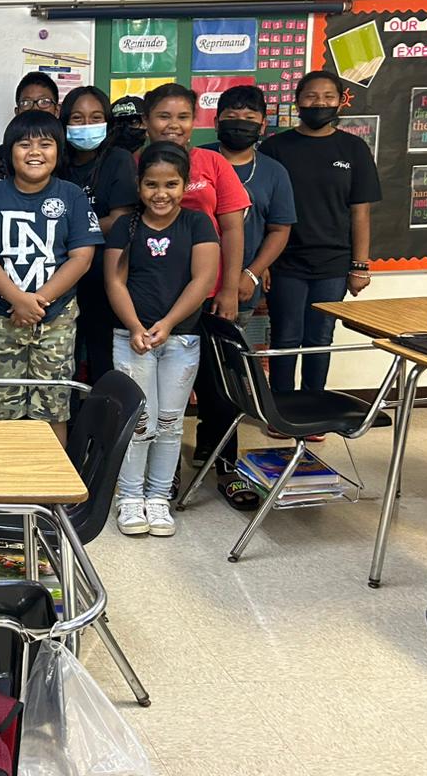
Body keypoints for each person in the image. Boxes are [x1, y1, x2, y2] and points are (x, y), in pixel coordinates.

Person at [0, 111, 103, 444]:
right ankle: (1, 489)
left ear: (59, 151)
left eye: (45, 143)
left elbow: (82, 258)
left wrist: (38, 301)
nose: (35, 152)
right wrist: (17, 299)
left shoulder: (71, 196)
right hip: (1, 317)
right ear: (9, 151)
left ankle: (52, 491)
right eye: (24, 144)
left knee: (53, 407)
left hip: (55, 319)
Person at [104, 142, 220, 537]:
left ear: (185, 185)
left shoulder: (198, 224)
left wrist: (168, 323)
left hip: (181, 340)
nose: (161, 193)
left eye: (171, 184)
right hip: (131, 337)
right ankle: (130, 498)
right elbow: (114, 281)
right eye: (151, 184)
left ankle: (158, 498)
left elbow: (203, 280)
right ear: (139, 186)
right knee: (139, 422)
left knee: (170, 424)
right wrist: (136, 327)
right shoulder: (126, 226)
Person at [143, 83, 249, 497]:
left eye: (183, 116)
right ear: (148, 121)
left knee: (217, 388)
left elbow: (232, 227)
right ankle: (162, 473)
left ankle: (225, 466)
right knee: (153, 393)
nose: (173, 125)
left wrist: (228, 287)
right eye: (163, 116)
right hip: (151, 297)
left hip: (205, 295)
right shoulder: (135, 163)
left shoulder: (213, 164)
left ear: (195, 120)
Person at [197, 85, 296, 495]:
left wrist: (252, 274)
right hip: (183, 288)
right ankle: (194, 450)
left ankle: (222, 460)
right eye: (232, 113)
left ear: (263, 122)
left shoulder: (272, 171)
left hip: (236, 289)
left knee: (225, 379)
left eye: (250, 114)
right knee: (190, 374)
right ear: (217, 119)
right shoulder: (197, 158)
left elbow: (280, 228)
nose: (241, 120)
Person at [259, 70, 381, 397]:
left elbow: (360, 212)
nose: (319, 103)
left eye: (328, 97)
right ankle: (281, 408)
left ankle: (314, 404)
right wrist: (262, 264)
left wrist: (360, 265)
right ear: (298, 102)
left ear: (341, 102)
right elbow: (262, 212)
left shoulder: (354, 149)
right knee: (285, 336)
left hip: (333, 263)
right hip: (285, 261)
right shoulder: (275, 148)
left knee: (320, 338)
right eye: (311, 96)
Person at [58, 86, 138, 385]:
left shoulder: (118, 159)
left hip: (104, 275)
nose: (86, 125)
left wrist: (70, 232)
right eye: (77, 118)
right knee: (63, 356)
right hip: (61, 274)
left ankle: (103, 427)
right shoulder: (57, 160)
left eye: (95, 117)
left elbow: (120, 219)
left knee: (101, 354)